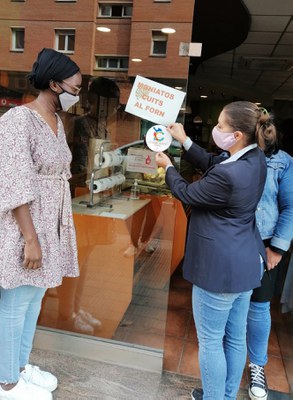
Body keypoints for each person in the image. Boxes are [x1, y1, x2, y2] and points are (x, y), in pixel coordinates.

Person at [155, 101, 268, 400]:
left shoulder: (229, 176)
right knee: (234, 337)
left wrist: (167, 167)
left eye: (220, 126)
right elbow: (213, 162)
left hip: (219, 271)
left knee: (210, 341)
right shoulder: (255, 159)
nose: (216, 130)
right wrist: (184, 139)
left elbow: (187, 193)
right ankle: (226, 396)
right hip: (246, 263)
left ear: (239, 135)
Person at [0, 48, 81, 400]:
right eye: (75, 89)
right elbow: (15, 182)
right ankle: (6, 382)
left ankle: (18, 366)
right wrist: (30, 239)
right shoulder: (18, 120)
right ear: (54, 84)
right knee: (15, 304)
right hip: (26, 225)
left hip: (51, 223)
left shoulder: (57, 121)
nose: (79, 96)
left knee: (33, 301)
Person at [247, 119, 293, 400]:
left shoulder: (284, 162)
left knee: (259, 307)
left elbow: (290, 207)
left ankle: (257, 365)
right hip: (233, 240)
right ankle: (226, 366)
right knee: (233, 305)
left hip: (265, 244)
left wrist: (277, 248)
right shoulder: (234, 154)